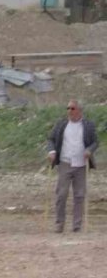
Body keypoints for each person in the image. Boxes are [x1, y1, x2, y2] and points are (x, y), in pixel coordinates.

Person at [47, 99, 98, 233]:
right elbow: (51, 139)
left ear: (79, 110)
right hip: (65, 163)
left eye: (72, 108)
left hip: (81, 164)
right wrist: (51, 151)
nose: (69, 111)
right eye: (68, 108)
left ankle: (77, 225)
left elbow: (95, 142)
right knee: (61, 195)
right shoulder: (61, 124)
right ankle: (59, 224)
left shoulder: (88, 125)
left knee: (79, 195)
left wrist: (89, 150)